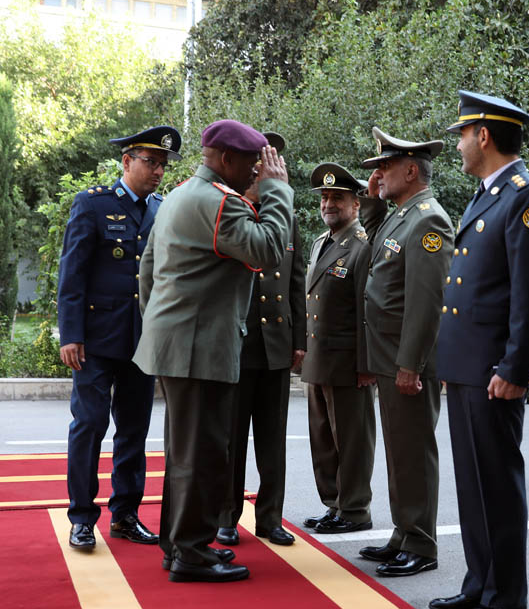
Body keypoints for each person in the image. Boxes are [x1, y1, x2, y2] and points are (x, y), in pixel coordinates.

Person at [134, 119, 292, 583]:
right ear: (226, 159)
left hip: (180, 344)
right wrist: (277, 191)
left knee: (186, 454)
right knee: (202, 455)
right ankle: (191, 553)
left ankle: (179, 545)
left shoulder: (181, 195)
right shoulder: (220, 202)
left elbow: (148, 271)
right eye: (252, 163)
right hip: (198, 348)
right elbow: (267, 249)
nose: (257, 171)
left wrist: (164, 325)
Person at [432, 91, 529, 609]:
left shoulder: (527, 199)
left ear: (483, 136)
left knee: (498, 485)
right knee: (472, 484)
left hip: (493, 371)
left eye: (463, 134)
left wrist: (516, 369)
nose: (459, 144)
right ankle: (478, 582)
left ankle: (506, 594)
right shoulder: (487, 196)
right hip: (467, 367)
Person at [58, 126, 181, 551]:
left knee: (133, 430)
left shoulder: (162, 210)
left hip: (142, 340)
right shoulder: (93, 204)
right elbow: (72, 274)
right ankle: (81, 517)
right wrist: (71, 334)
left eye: (162, 164)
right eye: (150, 162)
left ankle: (126, 514)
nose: (158, 171)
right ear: (126, 162)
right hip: (94, 340)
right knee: (89, 425)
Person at [349, 127, 454, 578]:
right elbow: (377, 242)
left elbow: (427, 302)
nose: (379, 174)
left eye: (386, 167)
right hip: (390, 356)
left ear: (411, 171)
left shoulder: (428, 220)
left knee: (413, 452)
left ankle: (421, 543)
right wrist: (372, 198)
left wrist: (411, 363)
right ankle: (404, 532)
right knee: (398, 451)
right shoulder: (401, 214)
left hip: (406, 361)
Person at [217, 131, 305, 548]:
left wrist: (299, 339)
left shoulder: (286, 216)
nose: (261, 170)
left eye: (268, 163)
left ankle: (270, 518)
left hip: (275, 344)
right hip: (238, 343)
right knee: (231, 441)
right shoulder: (230, 210)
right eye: (257, 162)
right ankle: (226, 517)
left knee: (273, 442)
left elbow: (296, 280)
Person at [301, 162, 378, 535]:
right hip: (319, 359)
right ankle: (334, 504)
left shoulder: (363, 246)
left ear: (356, 204)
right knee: (324, 439)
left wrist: (367, 364)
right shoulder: (321, 243)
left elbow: (368, 310)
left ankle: (355, 508)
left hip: (348, 362)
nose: (328, 204)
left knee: (352, 440)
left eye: (337, 198)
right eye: (325, 198)